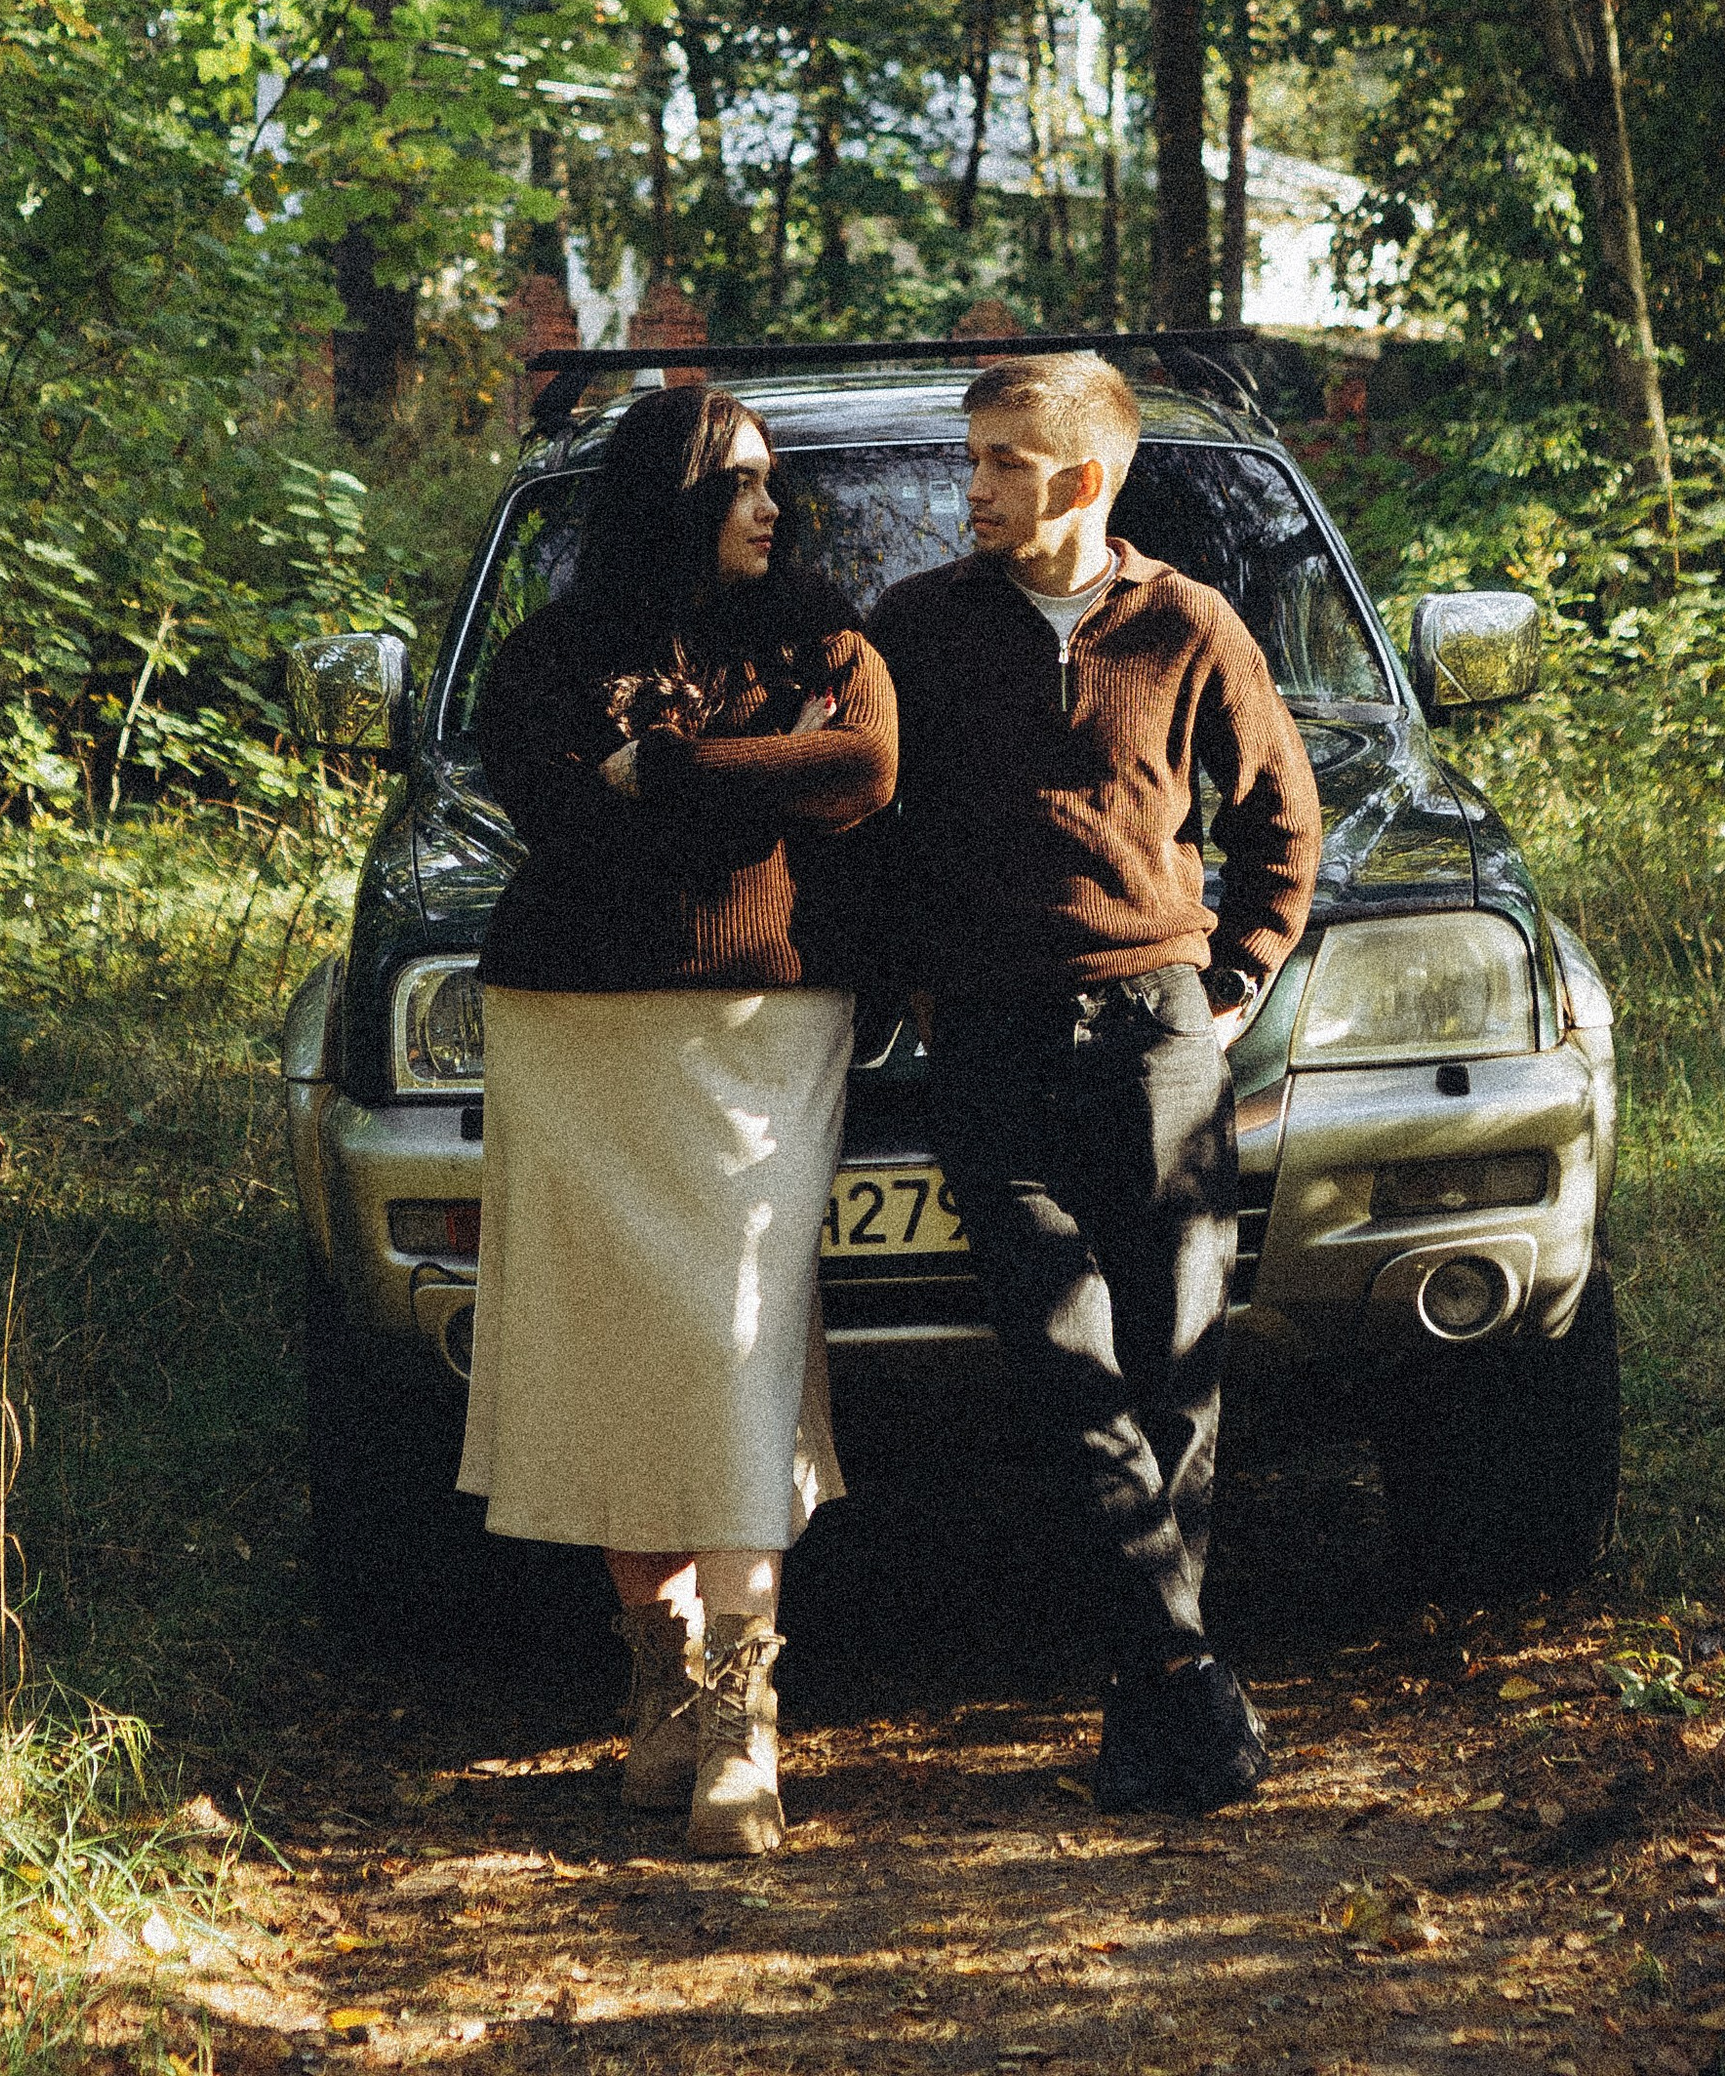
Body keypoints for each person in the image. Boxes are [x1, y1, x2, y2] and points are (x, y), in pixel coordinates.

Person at [869, 349, 1321, 1813]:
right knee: (1068, 1370)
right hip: (990, 1045)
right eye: (976, 460)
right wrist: (919, 984)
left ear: (1081, 478)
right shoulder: (918, 632)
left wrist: (1234, 980)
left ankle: (1151, 1704)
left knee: (1178, 1368)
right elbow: (864, 829)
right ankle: (1189, 1670)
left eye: (1001, 464)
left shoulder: (1191, 628)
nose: (974, 488)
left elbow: (1280, 824)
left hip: (1155, 1037)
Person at [461, 383, 898, 1855]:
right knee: (606, 1358)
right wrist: (746, 795)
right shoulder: (550, 653)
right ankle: (657, 1696)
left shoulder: (823, 637)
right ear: (675, 499)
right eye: (745, 486)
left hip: (758, 1030)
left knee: (733, 1347)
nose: (773, 509)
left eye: (772, 485)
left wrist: (676, 768)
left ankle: (740, 1725)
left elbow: (867, 770)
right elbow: (554, 809)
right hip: (570, 1027)